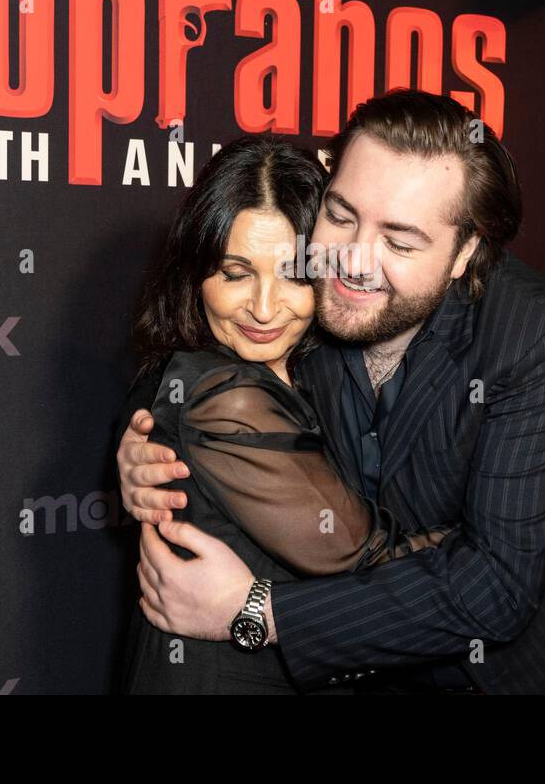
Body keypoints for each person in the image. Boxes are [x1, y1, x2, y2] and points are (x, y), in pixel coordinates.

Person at [118, 88, 545, 694]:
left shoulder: (535, 340)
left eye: (400, 242)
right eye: (341, 215)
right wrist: (143, 450)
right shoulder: (304, 312)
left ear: (466, 251)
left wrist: (256, 611)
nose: (355, 260)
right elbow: (208, 368)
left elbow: (496, 588)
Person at [119, 135, 458, 693]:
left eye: (295, 274)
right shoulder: (224, 394)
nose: (264, 306)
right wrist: (521, 506)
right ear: (196, 273)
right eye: (235, 273)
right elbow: (368, 558)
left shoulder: (319, 365)